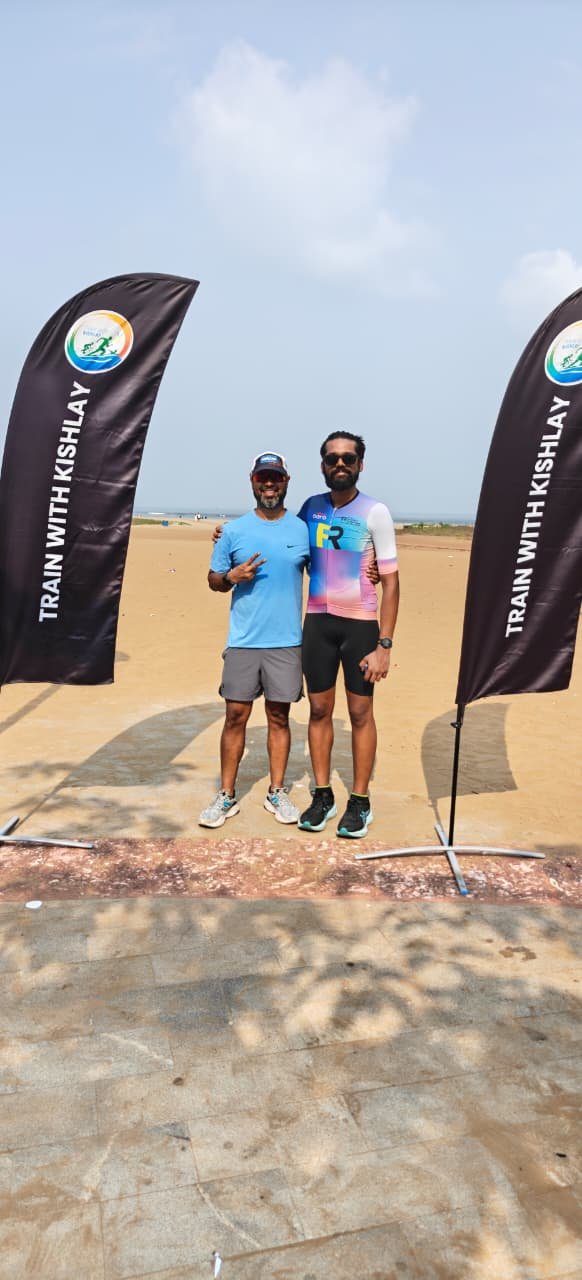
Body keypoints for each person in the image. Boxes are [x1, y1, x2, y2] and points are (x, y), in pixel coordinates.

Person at [199, 452, 310, 828]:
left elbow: (330, 565)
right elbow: (213, 580)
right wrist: (231, 576)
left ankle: (277, 792)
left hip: (287, 642)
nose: (269, 484)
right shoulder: (233, 531)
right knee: (235, 716)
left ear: (286, 481)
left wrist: (370, 566)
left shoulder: (302, 529)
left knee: (280, 717)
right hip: (244, 641)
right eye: (263, 478)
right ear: (252, 480)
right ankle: (226, 795)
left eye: (275, 478)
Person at [297, 431, 399, 838]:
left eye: (348, 459)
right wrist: (225, 536)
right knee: (319, 711)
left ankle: (360, 800)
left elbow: (391, 583)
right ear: (322, 464)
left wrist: (384, 645)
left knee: (360, 714)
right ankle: (323, 794)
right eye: (332, 459)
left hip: (360, 625)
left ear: (360, 464)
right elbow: (284, 544)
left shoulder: (375, 512)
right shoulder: (310, 508)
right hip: (318, 623)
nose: (340, 465)